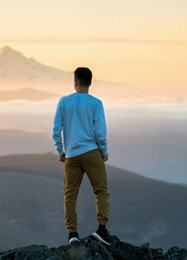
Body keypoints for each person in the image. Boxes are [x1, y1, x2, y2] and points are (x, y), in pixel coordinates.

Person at [52, 67, 111, 246]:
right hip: (92, 152)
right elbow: (100, 132)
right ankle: (101, 229)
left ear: (75, 82)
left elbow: (56, 130)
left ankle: (72, 233)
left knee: (70, 195)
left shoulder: (64, 101)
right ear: (90, 82)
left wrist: (61, 151)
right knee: (100, 191)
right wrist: (104, 151)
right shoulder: (96, 103)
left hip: (71, 155)